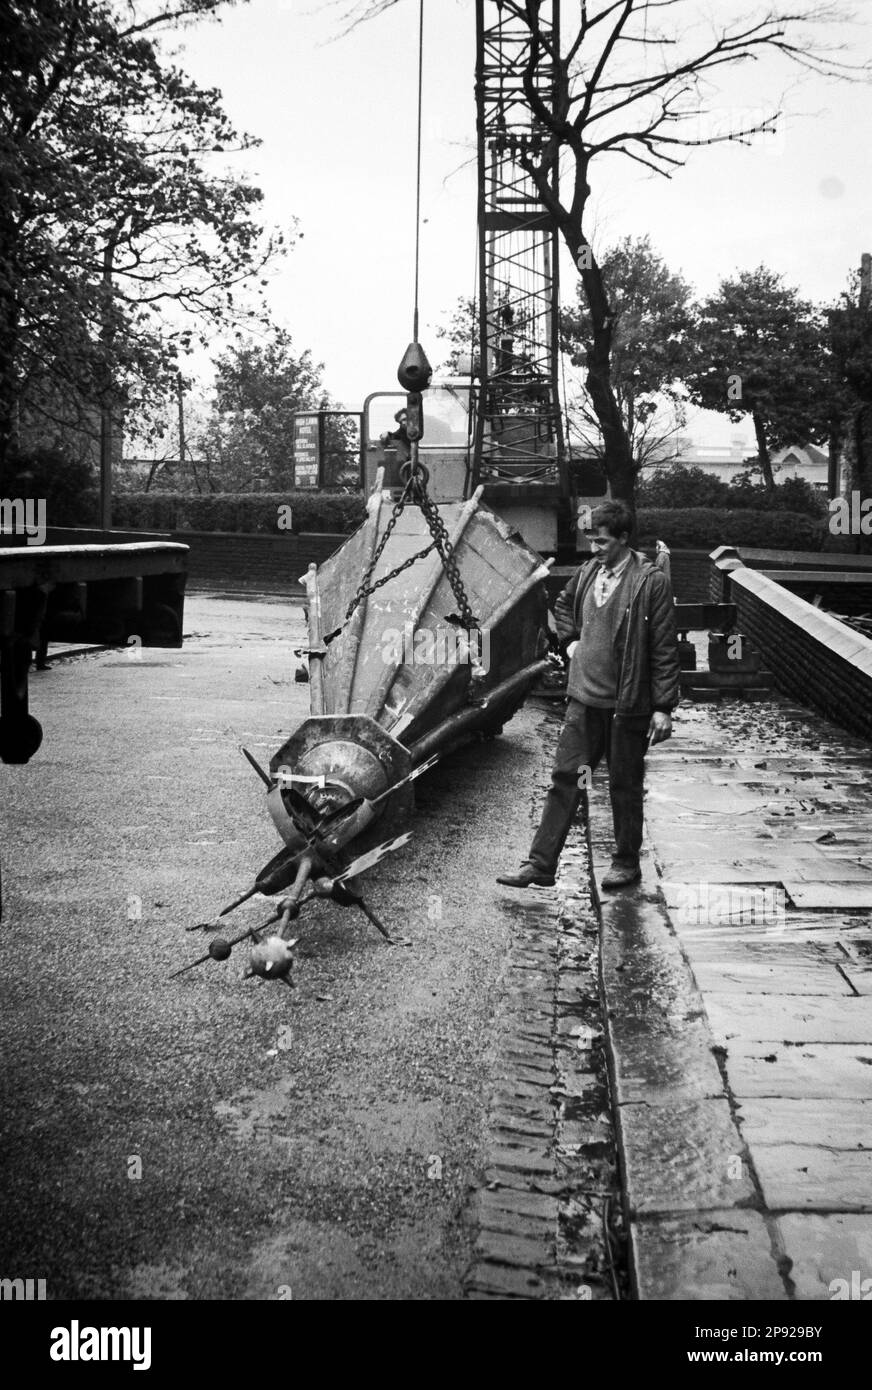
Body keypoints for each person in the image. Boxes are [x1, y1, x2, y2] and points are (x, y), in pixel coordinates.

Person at [497, 500, 680, 892]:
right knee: (569, 779)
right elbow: (562, 604)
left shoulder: (649, 583)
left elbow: (664, 648)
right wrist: (571, 643)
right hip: (583, 704)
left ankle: (626, 863)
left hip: (625, 708)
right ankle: (541, 865)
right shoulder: (587, 573)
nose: (594, 548)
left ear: (624, 539)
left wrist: (663, 707)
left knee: (623, 784)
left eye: (602, 542)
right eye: (591, 541)